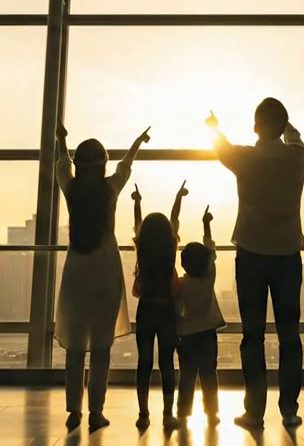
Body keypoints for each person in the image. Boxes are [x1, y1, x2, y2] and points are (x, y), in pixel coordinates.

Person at [206, 99, 304, 429]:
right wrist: (287, 126)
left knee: (253, 335)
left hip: (251, 253)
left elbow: (219, 146)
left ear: (254, 127)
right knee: (289, 335)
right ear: (282, 127)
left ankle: (255, 412)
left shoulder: (244, 158)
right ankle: (289, 409)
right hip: (288, 255)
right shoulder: (297, 157)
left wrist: (213, 126)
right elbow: (295, 136)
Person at [55, 123, 150, 433]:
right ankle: (97, 411)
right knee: (100, 348)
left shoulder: (70, 188)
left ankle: (73, 410)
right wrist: (137, 141)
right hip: (105, 271)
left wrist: (61, 140)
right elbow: (126, 165)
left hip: (76, 272)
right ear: (103, 164)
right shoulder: (111, 189)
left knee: (75, 347)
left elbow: (62, 165)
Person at [131, 182, 185, 430]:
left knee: (144, 362)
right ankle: (167, 413)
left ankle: (143, 414)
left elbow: (138, 224)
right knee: (166, 362)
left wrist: (137, 203)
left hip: (146, 309)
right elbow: (174, 220)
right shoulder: (170, 248)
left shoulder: (142, 248)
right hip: (167, 311)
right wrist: (177, 197)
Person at [176, 205, 225, 426]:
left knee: (187, 375)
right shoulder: (209, 279)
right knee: (208, 374)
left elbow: (176, 309)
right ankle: (211, 413)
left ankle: (183, 412)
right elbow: (211, 252)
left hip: (187, 335)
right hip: (208, 334)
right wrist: (206, 224)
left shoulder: (181, 285)